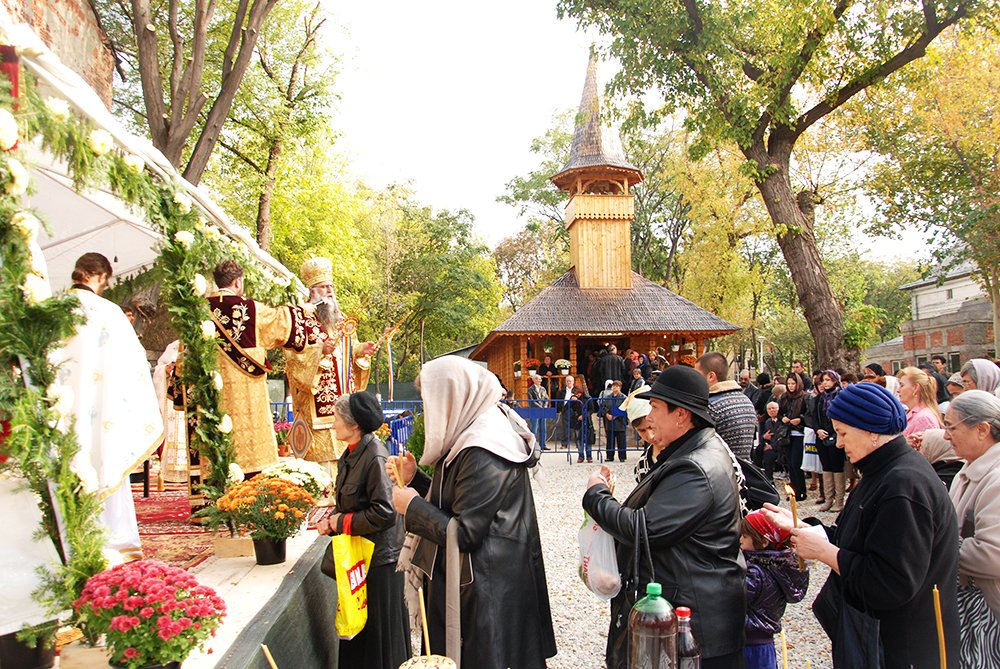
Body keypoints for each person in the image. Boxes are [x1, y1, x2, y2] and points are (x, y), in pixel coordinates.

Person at [762, 382, 960, 669]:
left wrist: (824, 552)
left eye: (843, 433)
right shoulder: (881, 471)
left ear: (872, 431)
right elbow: (859, 538)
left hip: (903, 646)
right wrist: (801, 528)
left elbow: (891, 582)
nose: (839, 443)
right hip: (882, 637)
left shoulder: (903, 484)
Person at [387, 356, 556, 668]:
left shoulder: (484, 448)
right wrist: (416, 480)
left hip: (487, 592)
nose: (429, 411)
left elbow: (466, 532)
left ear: (455, 396)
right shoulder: (472, 432)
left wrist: (412, 507)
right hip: (483, 582)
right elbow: (463, 499)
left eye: (431, 401)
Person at [583, 365, 745, 669]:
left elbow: (645, 529)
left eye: (656, 407)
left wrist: (596, 495)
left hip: (694, 624)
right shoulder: (687, 451)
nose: (650, 417)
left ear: (681, 414)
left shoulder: (695, 466)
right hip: (687, 606)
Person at [52, 253, 164, 561]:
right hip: (101, 412)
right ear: (101, 276)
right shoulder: (109, 313)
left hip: (61, 411)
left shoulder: (52, 310)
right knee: (105, 464)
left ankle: (66, 541)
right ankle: (113, 543)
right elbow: (133, 367)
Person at [316, 392, 408, 668]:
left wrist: (341, 522)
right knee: (358, 633)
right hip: (360, 558)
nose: (333, 424)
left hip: (379, 561)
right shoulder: (351, 454)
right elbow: (350, 502)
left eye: (336, 418)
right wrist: (332, 521)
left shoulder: (375, 457)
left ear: (354, 424)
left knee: (379, 638)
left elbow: (385, 512)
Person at [208, 260, 313, 475]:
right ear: (238, 282)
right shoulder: (250, 309)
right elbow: (280, 322)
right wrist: (301, 311)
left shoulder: (199, 311)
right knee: (250, 445)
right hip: (247, 396)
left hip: (212, 394)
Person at [284, 257, 377, 481]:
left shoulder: (341, 319)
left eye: (331, 286)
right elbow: (292, 357)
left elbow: (347, 351)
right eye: (325, 287)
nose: (330, 291)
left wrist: (361, 350)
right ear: (312, 291)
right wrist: (319, 350)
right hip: (317, 407)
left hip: (343, 400)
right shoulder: (299, 318)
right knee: (324, 471)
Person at [943, 390, 1000, 666]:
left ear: (982, 429)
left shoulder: (996, 478)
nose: (946, 436)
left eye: (951, 427)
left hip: (991, 611)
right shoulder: (970, 468)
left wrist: (938, 544)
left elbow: (993, 555)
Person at [741, 510, 809, 669]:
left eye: (744, 536)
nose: (740, 540)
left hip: (750, 642)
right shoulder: (780, 567)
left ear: (764, 542)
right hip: (766, 642)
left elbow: (734, 601)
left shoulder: (754, 573)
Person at [697, 352, 758, 460]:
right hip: (743, 467)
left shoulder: (711, 406)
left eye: (698, 375)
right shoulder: (746, 400)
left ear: (711, 376)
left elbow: (698, 446)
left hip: (718, 467)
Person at [807, 370, 846, 512]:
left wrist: (834, 432)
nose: (825, 383)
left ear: (835, 381)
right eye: (823, 380)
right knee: (826, 467)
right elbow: (813, 417)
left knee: (837, 467)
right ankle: (829, 499)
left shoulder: (841, 397)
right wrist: (818, 430)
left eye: (828, 380)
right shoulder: (819, 399)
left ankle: (839, 500)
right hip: (821, 435)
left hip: (836, 435)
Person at [778, 373, 808, 501]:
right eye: (789, 383)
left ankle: (801, 490)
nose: (791, 386)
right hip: (787, 433)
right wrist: (783, 418)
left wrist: (800, 419)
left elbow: (808, 414)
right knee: (790, 463)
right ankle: (794, 490)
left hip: (799, 433)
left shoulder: (804, 397)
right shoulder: (784, 397)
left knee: (796, 463)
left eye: (793, 383)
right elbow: (779, 413)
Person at [897, 366, 944, 436]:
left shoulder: (924, 418)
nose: (898, 390)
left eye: (902, 385)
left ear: (915, 388)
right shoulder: (914, 413)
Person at [598, 379, 627, 461]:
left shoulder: (623, 397)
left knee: (621, 440)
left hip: (620, 421)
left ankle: (622, 456)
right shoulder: (607, 397)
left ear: (620, 387)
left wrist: (615, 415)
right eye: (613, 386)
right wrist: (607, 414)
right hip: (609, 422)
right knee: (610, 440)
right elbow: (603, 407)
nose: (615, 388)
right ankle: (609, 456)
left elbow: (624, 408)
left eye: (617, 386)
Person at [758, 402, 781, 483]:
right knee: (757, 450)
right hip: (771, 444)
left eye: (773, 408)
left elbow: (783, 438)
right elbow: (765, 435)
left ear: (778, 409)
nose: (771, 410)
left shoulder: (781, 421)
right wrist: (764, 437)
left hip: (781, 446)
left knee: (768, 455)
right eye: (769, 409)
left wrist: (772, 446)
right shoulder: (768, 422)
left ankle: (769, 479)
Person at [527, 373, 551, 451]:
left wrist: (545, 406)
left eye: (540, 379)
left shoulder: (543, 389)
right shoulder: (530, 389)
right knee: (534, 428)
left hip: (543, 410)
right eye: (538, 379)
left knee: (543, 428)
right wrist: (540, 407)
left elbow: (546, 398)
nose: (540, 381)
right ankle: (532, 445)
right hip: (535, 410)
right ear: (534, 380)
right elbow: (531, 400)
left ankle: (543, 445)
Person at [571, 384, 594, 463]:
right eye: (575, 394)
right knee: (579, 439)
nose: (577, 395)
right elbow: (567, 408)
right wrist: (571, 401)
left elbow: (591, 410)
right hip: (577, 421)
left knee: (588, 439)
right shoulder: (573, 399)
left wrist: (584, 415)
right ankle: (580, 456)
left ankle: (589, 456)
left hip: (587, 421)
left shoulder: (588, 398)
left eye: (578, 393)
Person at [555, 374, 576, 448]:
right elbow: (559, 401)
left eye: (570, 381)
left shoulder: (577, 390)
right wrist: (559, 409)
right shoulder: (562, 391)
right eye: (567, 381)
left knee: (577, 427)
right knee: (565, 428)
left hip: (575, 410)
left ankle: (579, 443)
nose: (569, 382)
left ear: (573, 382)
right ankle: (564, 443)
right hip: (565, 410)